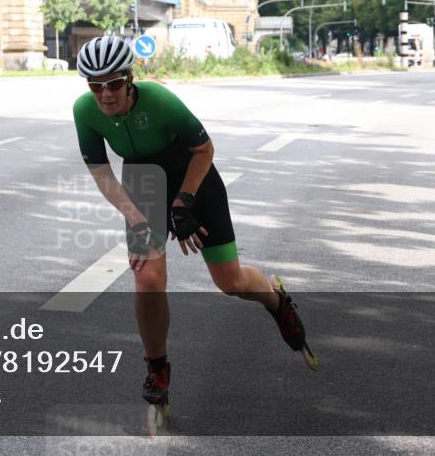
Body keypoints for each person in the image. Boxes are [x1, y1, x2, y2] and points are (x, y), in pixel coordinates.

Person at [71, 36, 316, 413]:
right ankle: (158, 369)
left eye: (114, 83)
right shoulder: (84, 110)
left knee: (229, 282)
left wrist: (184, 203)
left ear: (130, 78)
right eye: (95, 85)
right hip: (144, 182)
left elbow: (204, 149)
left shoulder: (160, 100)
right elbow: (101, 173)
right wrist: (136, 219)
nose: (105, 94)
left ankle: (275, 299)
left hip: (192, 174)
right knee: (147, 279)